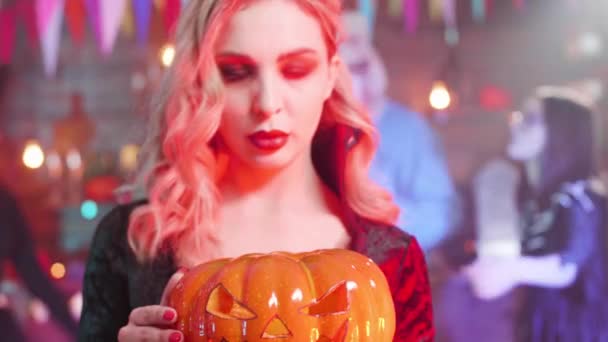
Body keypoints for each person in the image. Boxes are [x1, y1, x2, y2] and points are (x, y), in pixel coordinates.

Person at [78, 1, 434, 341]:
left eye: (295, 70)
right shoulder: (131, 242)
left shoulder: (394, 259)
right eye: (235, 73)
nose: (267, 104)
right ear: (201, 82)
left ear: (330, 75)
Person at [465, 86, 608, 341]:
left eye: (530, 120)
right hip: (541, 323)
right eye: (518, 116)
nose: (515, 125)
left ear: (562, 133)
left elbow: (569, 264)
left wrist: (512, 270)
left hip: (580, 329)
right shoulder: (532, 197)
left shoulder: (582, 195)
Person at [339, 11, 456, 252]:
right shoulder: (312, 128)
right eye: (344, 40)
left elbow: (439, 215)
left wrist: (380, 214)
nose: (356, 47)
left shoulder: (407, 129)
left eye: (362, 39)